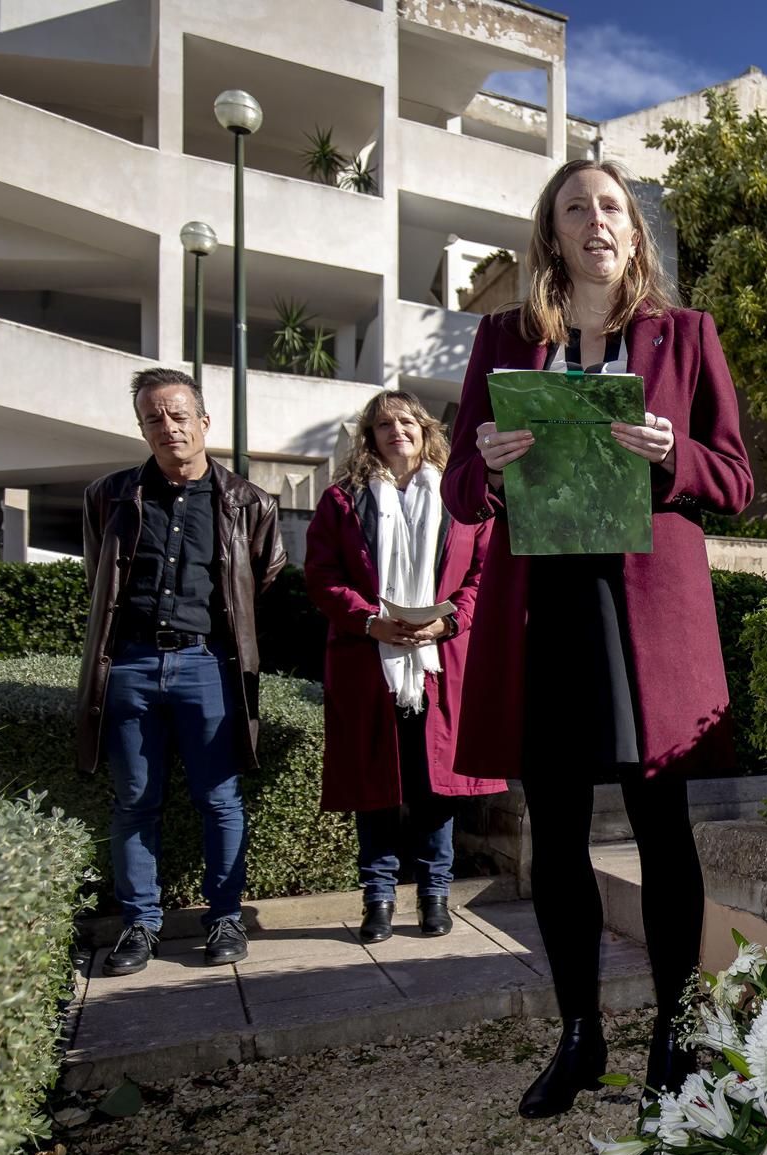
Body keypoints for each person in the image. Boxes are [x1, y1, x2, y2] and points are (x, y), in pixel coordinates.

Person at [444, 158, 754, 1117]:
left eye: (611, 206)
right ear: (553, 231)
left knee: (662, 831)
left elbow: (737, 482)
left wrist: (675, 454)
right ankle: (578, 1033)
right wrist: (488, 463)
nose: (595, 220)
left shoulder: (686, 336)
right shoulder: (504, 337)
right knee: (559, 832)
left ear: (634, 231)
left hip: (645, 610)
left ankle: (675, 1027)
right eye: (575, 206)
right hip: (543, 610)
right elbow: (458, 490)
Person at [77, 367, 286, 974]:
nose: (167, 427)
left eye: (177, 415)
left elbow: (259, 579)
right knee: (135, 801)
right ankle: (140, 925)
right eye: (152, 418)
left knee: (220, 800)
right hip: (131, 665)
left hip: (208, 665)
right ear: (141, 427)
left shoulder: (249, 502)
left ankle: (225, 918)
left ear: (203, 422)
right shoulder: (108, 496)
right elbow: (101, 578)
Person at [305, 391, 505, 943]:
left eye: (407, 420)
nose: (397, 430)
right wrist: (369, 620)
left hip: (440, 662)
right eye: (384, 424)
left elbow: (484, 574)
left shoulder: (464, 496)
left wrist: (449, 623)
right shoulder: (342, 499)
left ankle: (435, 894)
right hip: (368, 661)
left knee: (432, 786)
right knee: (376, 787)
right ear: (369, 437)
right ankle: (378, 898)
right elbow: (321, 574)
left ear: (425, 429)